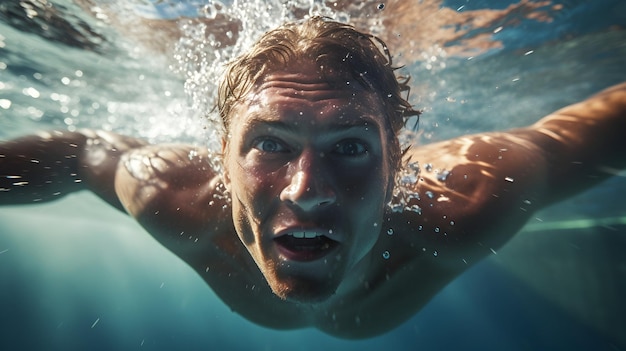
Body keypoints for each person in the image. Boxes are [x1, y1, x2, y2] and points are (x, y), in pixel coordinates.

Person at [1, 16, 625, 339]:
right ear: (221, 159)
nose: (307, 188)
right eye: (269, 143)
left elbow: (594, 131)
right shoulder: (174, 195)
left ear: (397, 166)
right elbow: (78, 150)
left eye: (350, 147)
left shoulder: (469, 200)